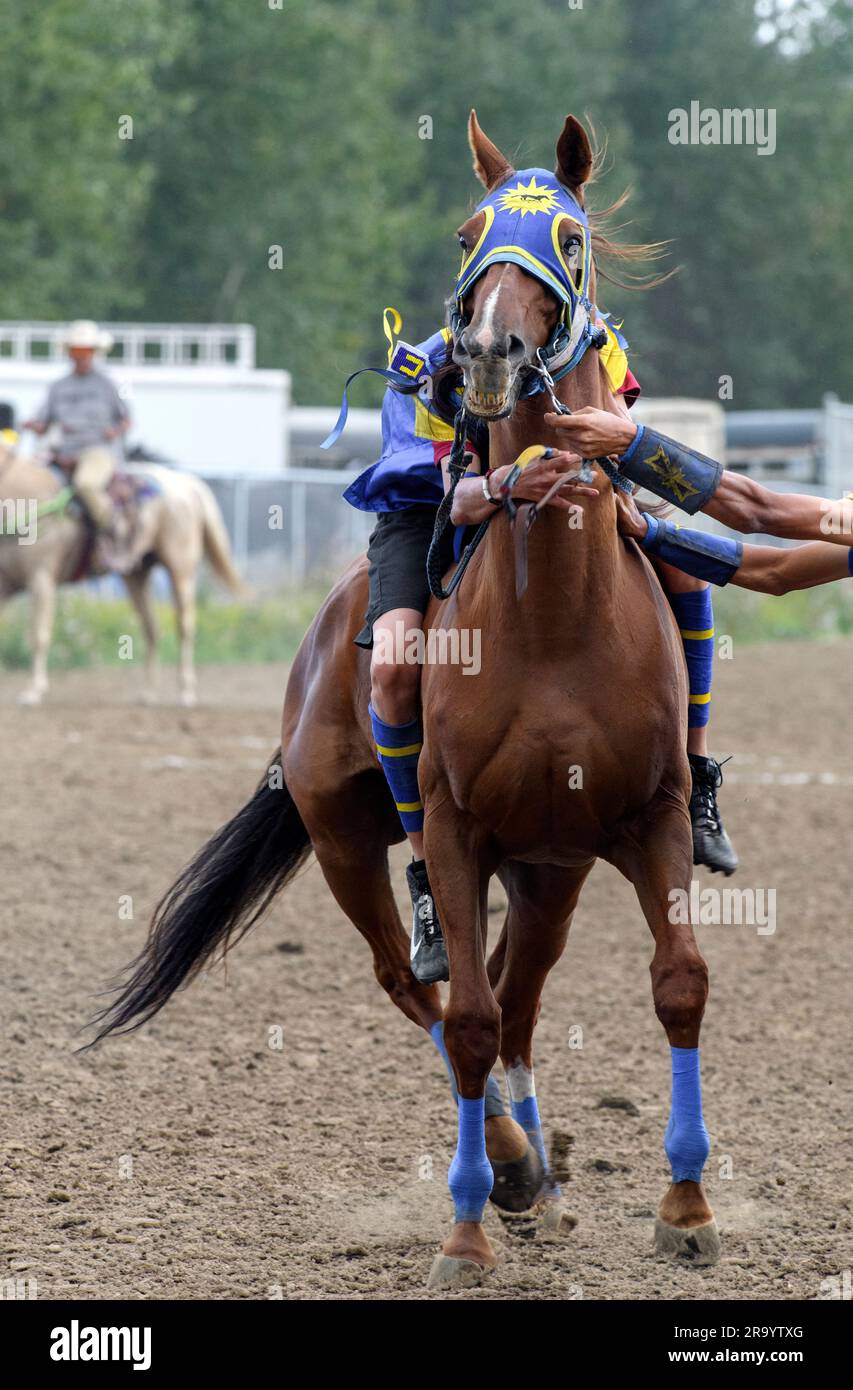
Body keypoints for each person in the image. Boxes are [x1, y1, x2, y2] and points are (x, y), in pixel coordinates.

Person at [343, 320, 734, 985]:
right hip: (433, 509)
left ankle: (696, 780)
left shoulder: (595, 342)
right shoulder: (427, 364)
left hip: (575, 489)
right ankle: (422, 874)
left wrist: (613, 484)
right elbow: (447, 494)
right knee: (391, 665)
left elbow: (618, 437)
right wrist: (502, 486)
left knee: (688, 571)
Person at [24, 320, 130, 561]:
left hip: (97, 451)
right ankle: (24, 546)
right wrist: (32, 425)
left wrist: (115, 431)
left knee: (85, 484)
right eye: (76, 351)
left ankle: (113, 531)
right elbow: (44, 424)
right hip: (63, 452)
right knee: (28, 485)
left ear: (93, 353)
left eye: (85, 351)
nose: (80, 356)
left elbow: (125, 420)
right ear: (70, 353)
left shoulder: (108, 384)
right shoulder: (58, 387)